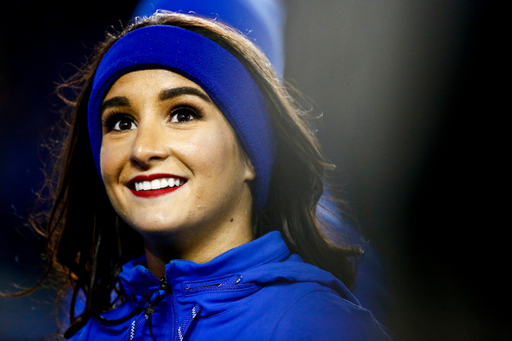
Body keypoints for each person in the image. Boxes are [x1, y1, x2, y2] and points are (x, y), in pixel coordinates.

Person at [26, 11, 391, 340]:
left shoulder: (316, 325)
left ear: (252, 154)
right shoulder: (89, 333)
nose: (142, 149)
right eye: (121, 122)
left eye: (183, 114)